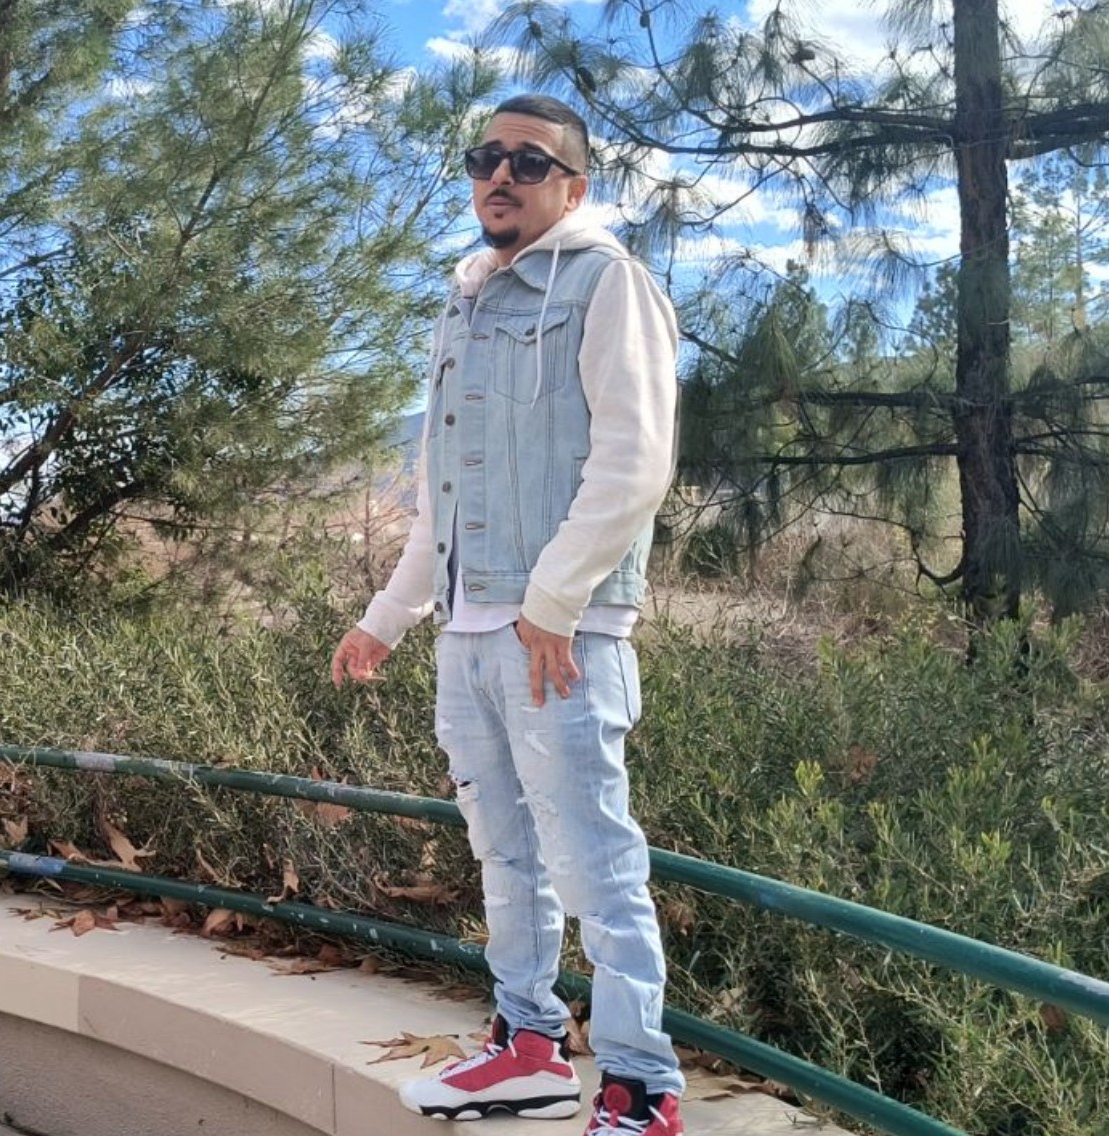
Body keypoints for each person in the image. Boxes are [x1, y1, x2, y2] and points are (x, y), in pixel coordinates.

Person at [331, 93, 684, 1136]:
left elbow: (634, 463)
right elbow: (441, 488)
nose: (500, 174)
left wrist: (552, 600)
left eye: (528, 162)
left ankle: (638, 1085)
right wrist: (386, 617)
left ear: (572, 188)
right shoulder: (466, 302)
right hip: (468, 633)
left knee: (595, 860)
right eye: (485, 157)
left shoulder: (606, 283)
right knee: (507, 854)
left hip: (560, 639)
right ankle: (528, 1044)